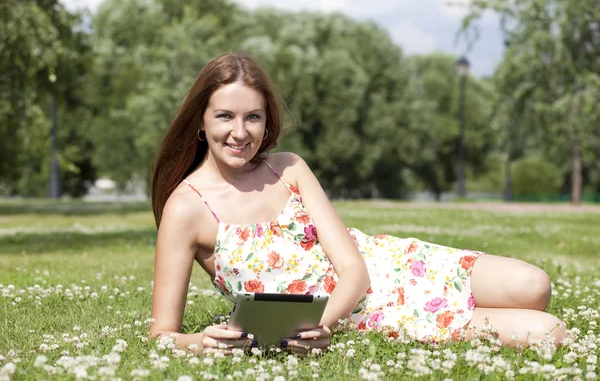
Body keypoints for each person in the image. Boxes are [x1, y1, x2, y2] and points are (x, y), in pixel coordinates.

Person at [149, 52, 566, 354]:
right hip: (365, 316)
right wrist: (201, 341)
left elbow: (353, 268)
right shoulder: (186, 208)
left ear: (266, 119)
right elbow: (161, 334)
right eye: (225, 116)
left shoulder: (288, 168)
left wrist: (319, 326)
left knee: (535, 285)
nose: (240, 132)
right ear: (201, 121)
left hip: (387, 269)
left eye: (253, 117)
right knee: (550, 331)